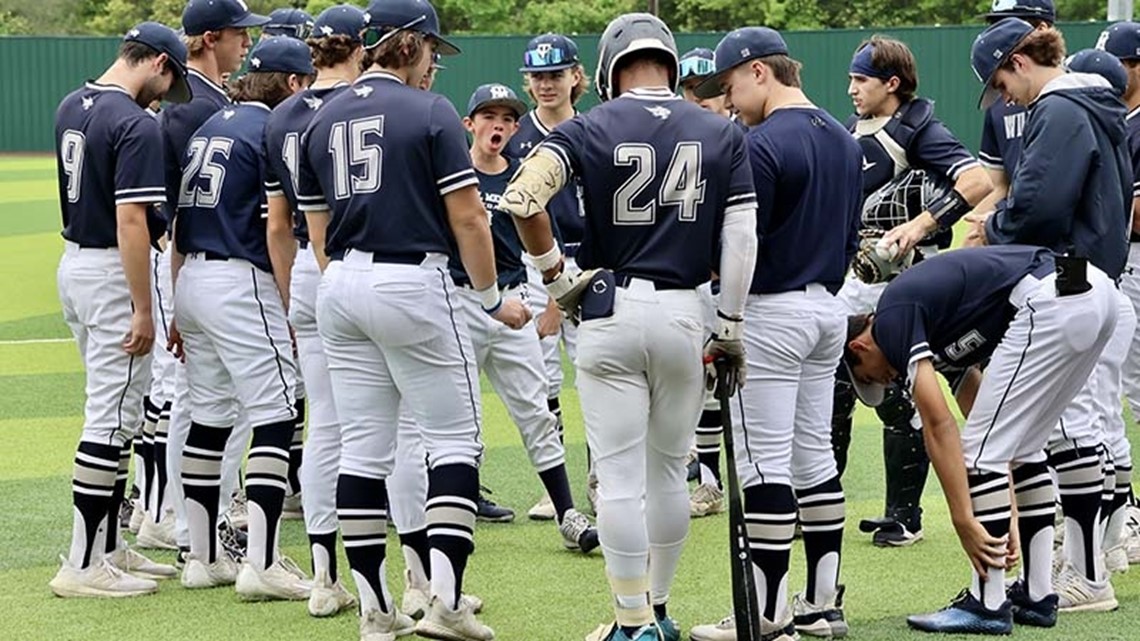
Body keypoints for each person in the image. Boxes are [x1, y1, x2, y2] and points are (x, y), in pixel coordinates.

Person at [501, 13, 758, 641]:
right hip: (686, 311)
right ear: (670, 62)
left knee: (617, 478)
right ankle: (659, 610)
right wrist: (729, 326)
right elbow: (741, 237)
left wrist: (557, 279)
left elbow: (523, 199)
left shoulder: (589, 126)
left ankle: (632, 619)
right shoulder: (721, 131)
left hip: (610, 309)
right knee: (669, 472)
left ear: (611, 67)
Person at [296, 0, 529, 638]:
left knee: (362, 450)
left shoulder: (321, 116)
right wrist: (489, 300)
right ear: (406, 44)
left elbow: (318, 231)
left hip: (339, 280)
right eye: (429, 48)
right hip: (411, 278)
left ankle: (376, 611)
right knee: (453, 441)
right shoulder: (428, 110)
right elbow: (469, 217)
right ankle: (445, 603)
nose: (432, 63)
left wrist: (350, 284)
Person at [687, 26, 862, 641]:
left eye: (731, 84)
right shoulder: (844, 137)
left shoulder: (758, 143)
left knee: (764, 463)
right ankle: (822, 604)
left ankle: (766, 615)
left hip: (769, 312)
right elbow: (850, 240)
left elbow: (738, 244)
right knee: (815, 456)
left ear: (759, 71)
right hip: (826, 310)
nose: (728, 99)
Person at [841, 246, 1118, 633]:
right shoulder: (934, 329)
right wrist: (1009, 519)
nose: (886, 383)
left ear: (858, 347)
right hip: (1095, 292)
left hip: (1050, 298)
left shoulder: (890, 319)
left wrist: (964, 520)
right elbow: (989, 422)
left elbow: (940, 425)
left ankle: (987, 603)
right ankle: (1037, 595)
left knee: (978, 453)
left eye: (870, 377)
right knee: (1024, 448)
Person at [969, 17, 1130, 612]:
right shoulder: (1094, 102)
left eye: (1001, 82)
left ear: (1018, 62)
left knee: (1068, 430)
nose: (1005, 97)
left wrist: (995, 226)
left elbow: (1039, 205)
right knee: (1077, 427)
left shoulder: (1060, 107)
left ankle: (1087, 575)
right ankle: (1087, 567)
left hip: (1070, 282)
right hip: (1098, 280)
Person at [48, 21, 190, 598]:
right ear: (158, 62)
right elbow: (131, 221)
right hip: (111, 271)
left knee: (117, 410)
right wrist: (143, 308)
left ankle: (108, 547)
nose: (167, 94)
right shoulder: (134, 121)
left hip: (74, 266)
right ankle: (83, 563)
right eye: (170, 82)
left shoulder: (72, 103)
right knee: (109, 417)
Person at [170, 35, 312, 602]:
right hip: (241, 278)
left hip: (192, 276)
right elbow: (277, 229)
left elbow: (178, 224)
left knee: (209, 419)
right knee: (277, 414)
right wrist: (292, 305)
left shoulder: (210, 125)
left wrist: (176, 298)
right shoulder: (273, 130)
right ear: (293, 83)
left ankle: (203, 557)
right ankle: (263, 562)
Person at [836, 34, 992, 548]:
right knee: (842, 382)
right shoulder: (849, 129)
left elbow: (976, 181)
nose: (852, 88)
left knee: (920, 386)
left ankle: (907, 515)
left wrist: (920, 225)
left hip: (909, 276)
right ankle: (820, 503)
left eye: (861, 79)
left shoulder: (919, 127)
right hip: (855, 276)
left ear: (892, 83)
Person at [456, 82, 600, 551]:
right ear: (469, 124)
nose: (497, 125)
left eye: (506, 119)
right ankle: (450, 508)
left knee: (536, 411)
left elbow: (544, 242)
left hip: (513, 302)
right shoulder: (453, 174)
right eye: (488, 116)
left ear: (516, 129)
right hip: (459, 301)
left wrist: (556, 300)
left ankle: (567, 514)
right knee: (457, 418)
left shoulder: (522, 177)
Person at [156, 0, 272, 560]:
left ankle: (192, 525)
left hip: (193, 264)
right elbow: (178, 207)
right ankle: (187, 522)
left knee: (206, 404)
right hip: (194, 257)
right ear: (208, 38)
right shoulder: (193, 104)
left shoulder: (209, 100)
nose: (245, 43)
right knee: (202, 404)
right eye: (236, 33)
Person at [264, 3, 366, 618]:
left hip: (304, 267)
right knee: (391, 427)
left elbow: (278, 225)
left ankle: (326, 576)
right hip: (358, 265)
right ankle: (417, 580)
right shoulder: (366, 103)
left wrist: (291, 298)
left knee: (325, 423)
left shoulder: (281, 115)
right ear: (360, 47)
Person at [506, 32, 593, 521]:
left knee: (596, 369)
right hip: (531, 264)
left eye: (555, 74)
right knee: (542, 378)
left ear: (575, 76)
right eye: (537, 76)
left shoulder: (596, 129)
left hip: (588, 260)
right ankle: (552, 486)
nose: (546, 84)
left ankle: (601, 477)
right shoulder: (517, 135)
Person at [1064, 45, 1140, 577]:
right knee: (1104, 403)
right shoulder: (1115, 127)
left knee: (1095, 407)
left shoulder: (1095, 131)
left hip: (1108, 274)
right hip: (1111, 277)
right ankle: (1116, 533)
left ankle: (1106, 542)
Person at [1096, 20, 1140, 569]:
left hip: (1137, 261)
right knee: (1112, 392)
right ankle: (1124, 510)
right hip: (1119, 263)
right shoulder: (1115, 118)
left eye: (1123, 65)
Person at [973, 0, 1057, 218]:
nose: (999, 33)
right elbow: (999, 186)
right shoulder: (1000, 100)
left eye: (1010, 23)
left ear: (1042, 29)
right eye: (995, 26)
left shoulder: (1077, 92)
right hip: (1021, 223)